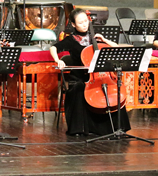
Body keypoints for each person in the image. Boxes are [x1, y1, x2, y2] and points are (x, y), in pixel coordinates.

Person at [50, 8, 130, 136]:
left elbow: (116, 48)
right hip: (80, 78)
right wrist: (57, 60)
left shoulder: (95, 38)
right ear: (73, 24)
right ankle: (81, 128)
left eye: (85, 21)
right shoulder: (71, 40)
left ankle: (118, 127)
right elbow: (53, 48)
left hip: (99, 77)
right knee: (79, 88)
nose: (84, 24)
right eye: (80, 22)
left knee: (114, 89)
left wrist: (105, 40)